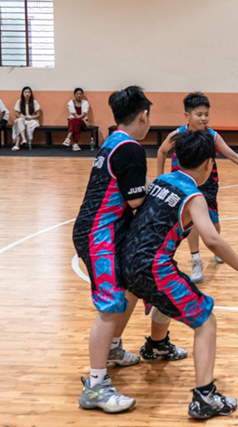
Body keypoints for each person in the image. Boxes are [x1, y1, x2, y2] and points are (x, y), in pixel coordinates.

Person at [121, 129, 238, 420]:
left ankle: (157, 346)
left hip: (127, 259)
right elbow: (212, 239)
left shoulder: (162, 180)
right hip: (153, 266)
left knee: (170, 293)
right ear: (209, 165)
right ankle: (205, 396)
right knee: (206, 320)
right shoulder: (194, 195)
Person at [74, 86, 186, 414]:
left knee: (132, 287)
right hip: (100, 235)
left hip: (102, 229)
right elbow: (137, 200)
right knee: (110, 306)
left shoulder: (112, 141)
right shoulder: (131, 148)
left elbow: (130, 190)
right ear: (144, 115)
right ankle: (95, 387)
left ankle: (112, 349)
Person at [156, 92, 238, 282]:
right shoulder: (177, 135)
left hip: (208, 182)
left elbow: (232, 155)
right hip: (184, 183)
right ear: (187, 116)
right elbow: (161, 151)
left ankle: (217, 248)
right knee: (191, 221)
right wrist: (160, 177)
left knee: (213, 221)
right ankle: (195, 259)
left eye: (206, 114)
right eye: (199, 114)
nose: (203, 118)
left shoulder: (212, 135)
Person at [12, 86, 42, 151]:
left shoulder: (34, 102)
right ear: (23, 93)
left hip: (32, 120)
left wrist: (31, 117)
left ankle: (17, 144)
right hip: (22, 119)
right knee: (19, 121)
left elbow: (38, 114)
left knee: (21, 124)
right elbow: (16, 114)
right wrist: (22, 117)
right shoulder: (19, 101)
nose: (27, 94)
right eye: (25, 92)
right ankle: (24, 139)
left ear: (31, 94)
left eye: (29, 92)